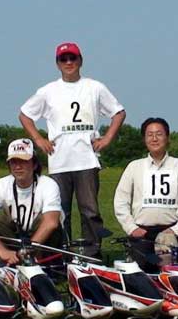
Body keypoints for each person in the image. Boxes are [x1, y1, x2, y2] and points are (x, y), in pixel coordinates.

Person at [19, 42, 125, 257]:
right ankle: (61, 255)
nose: (68, 63)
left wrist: (107, 138)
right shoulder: (48, 91)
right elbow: (25, 115)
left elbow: (119, 112)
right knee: (60, 212)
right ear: (57, 63)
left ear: (80, 61)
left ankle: (91, 256)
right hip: (59, 160)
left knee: (90, 211)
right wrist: (38, 139)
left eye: (72, 58)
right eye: (64, 59)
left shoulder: (94, 87)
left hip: (87, 159)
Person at [113, 117, 178, 271]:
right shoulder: (134, 167)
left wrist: (177, 230)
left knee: (171, 278)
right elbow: (120, 200)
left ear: (167, 137)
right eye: (150, 135)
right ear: (144, 139)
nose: (154, 139)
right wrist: (131, 228)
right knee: (140, 278)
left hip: (171, 233)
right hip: (141, 234)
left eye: (159, 134)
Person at [0, 139, 64, 266]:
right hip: (16, 237)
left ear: (34, 164)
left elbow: (51, 222)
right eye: (13, 162)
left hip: (42, 241)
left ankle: (41, 262)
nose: (18, 167)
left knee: (45, 220)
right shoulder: (1, 184)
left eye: (23, 161)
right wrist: (2, 251)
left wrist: (26, 251)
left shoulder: (48, 184)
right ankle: (9, 259)